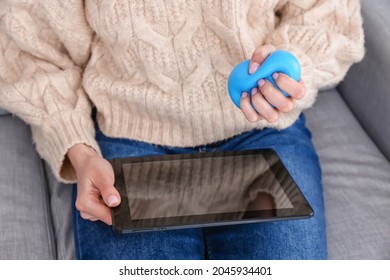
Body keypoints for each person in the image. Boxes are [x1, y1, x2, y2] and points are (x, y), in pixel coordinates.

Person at [0, 0, 364, 260]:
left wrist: (290, 69)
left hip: (262, 130)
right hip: (130, 139)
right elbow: (36, 52)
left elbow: (326, 13)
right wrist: (80, 152)